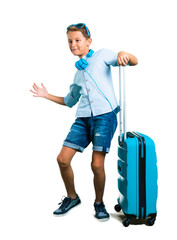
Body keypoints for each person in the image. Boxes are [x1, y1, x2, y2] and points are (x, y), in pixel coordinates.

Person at [30, 23, 138, 221]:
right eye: (70, 41)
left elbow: (133, 61)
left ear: (89, 41)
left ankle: (99, 203)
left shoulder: (102, 55)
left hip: (105, 116)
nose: (73, 45)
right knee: (62, 159)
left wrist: (124, 53)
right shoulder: (78, 73)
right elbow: (69, 101)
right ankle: (72, 197)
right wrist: (46, 95)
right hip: (83, 119)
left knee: (97, 165)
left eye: (77, 40)